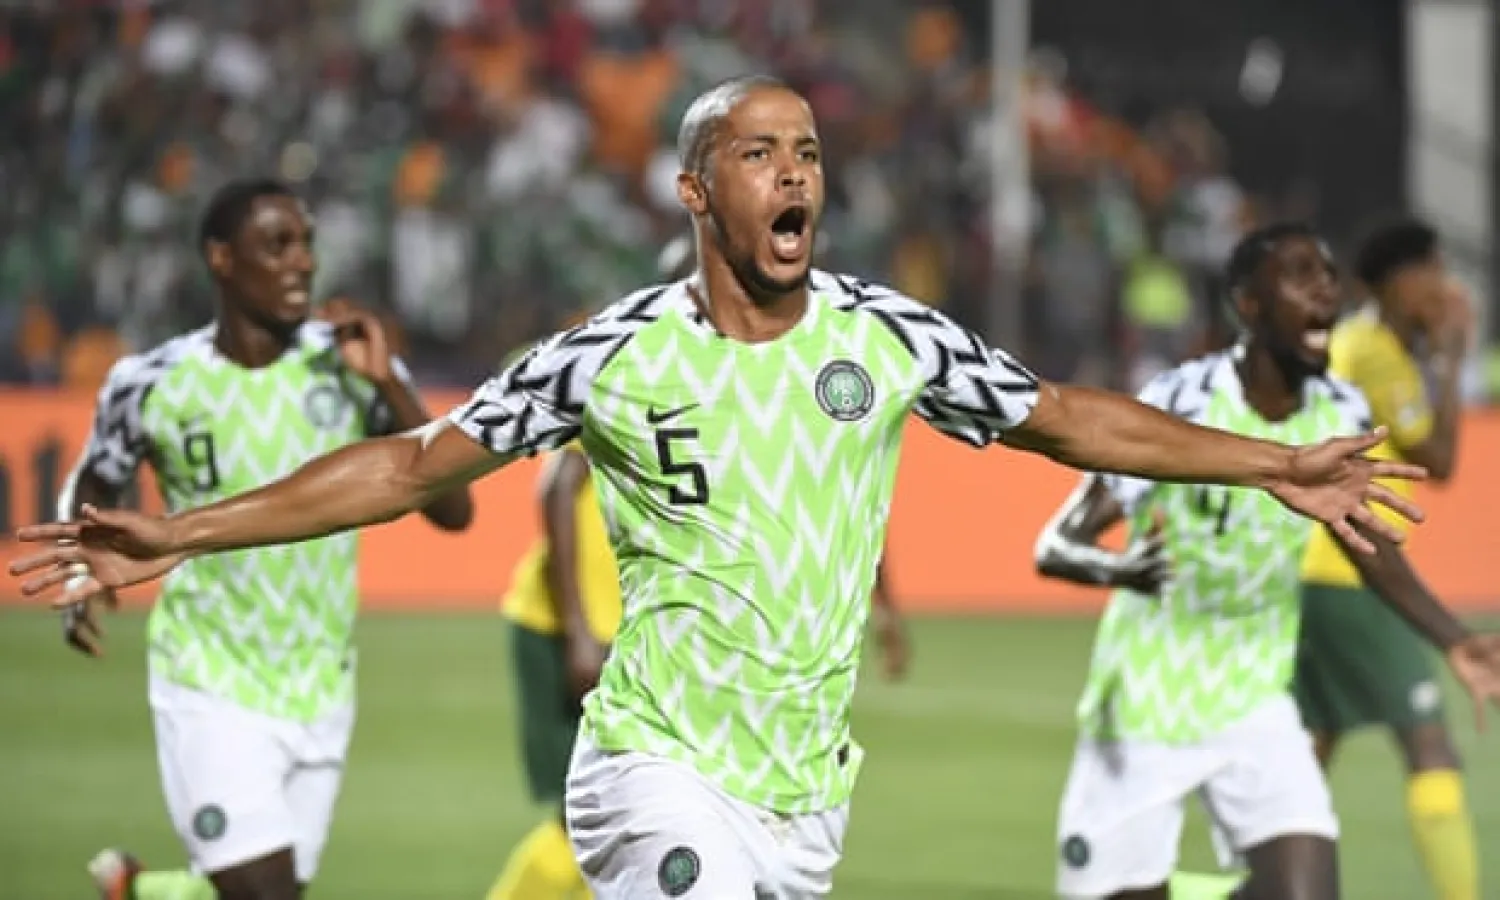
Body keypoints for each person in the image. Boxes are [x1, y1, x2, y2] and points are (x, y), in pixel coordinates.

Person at [11, 78, 1438, 899]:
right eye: (757, 153)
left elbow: (1066, 420)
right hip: (654, 772)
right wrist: (180, 531)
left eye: (808, 151)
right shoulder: (614, 355)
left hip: (804, 795)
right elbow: (408, 464)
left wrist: (1280, 463)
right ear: (697, 193)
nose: (792, 171)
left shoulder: (888, 336)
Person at [1031, 222, 1500, 900]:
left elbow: (1367, 544)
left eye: (1330, 276)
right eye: (1301, 275)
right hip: (1145, 705)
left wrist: (1454, 641)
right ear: (1248, 304)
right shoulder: (1184, 401)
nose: (1325, 291)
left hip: (1255, 703)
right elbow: (1056, 545)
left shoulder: (1339, 406)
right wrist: (1119, 569)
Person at [57, 178, 475, 900]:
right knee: (265, 894)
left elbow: (455, 511)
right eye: (277, 244)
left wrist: (389, 389)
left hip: (322, 680)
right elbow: (96, 479)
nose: (303, 263)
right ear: (220, 258)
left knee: (259, 890)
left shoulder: (347, 362)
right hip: (210, 676)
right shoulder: (153, 381)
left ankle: (140, 891)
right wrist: (76, 577)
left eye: (307, 243)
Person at [485, 245, 909, 900]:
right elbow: (554, 489)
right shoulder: (641, 362)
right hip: (567, 625)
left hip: (651, 640)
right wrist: (574, 628)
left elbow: (834, 514)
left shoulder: (772, 387)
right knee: (598, 821)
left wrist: (884, 606)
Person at [1294, 220, 1481, 900]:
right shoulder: (1373, 354)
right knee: (1430, 744)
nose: (1441, 286)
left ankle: (1244, 887)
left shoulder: (1361, 345)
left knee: (1310, 755)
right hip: (1353, 570)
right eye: (1426, 272)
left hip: (1316, 568)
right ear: (1389, 286)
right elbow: (1439, 460)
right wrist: (1453, 353)